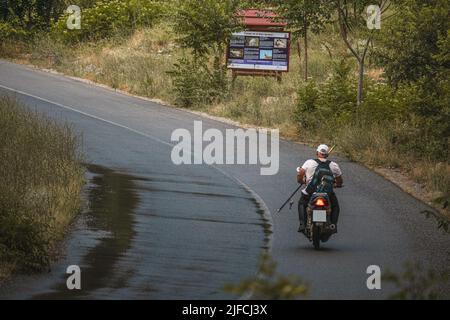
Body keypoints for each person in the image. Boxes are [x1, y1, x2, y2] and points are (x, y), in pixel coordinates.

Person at [296, 144, 343, 233]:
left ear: (317, 153)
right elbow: (339, 180)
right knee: (335, 206)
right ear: (327, 155)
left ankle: (302, 224)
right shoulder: (334, 165)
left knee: (302, 203)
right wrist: (337, 185)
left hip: (310, 192)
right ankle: (333, 225)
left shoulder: (309, 162)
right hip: (327, 194)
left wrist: (301, 181)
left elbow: (300, 173)